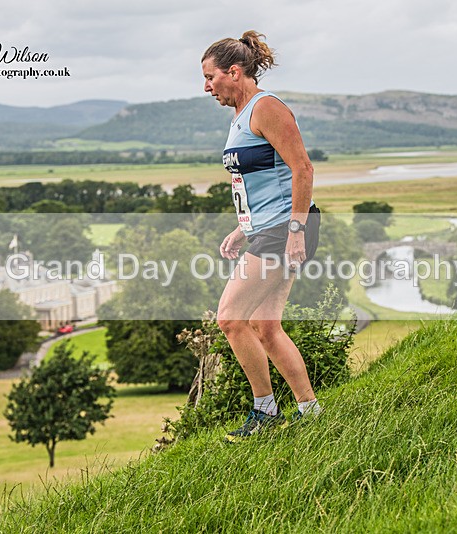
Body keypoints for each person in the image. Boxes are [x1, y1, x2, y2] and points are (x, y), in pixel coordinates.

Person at [202, 30, 323, 442]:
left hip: (285, 229)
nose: (207, 87)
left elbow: (302, 169)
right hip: (267, 229)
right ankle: (310, 411)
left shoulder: (266, 107)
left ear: (234, 72)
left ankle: (265, 412)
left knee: (230, 318)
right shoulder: (241, 116)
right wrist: (243, 228)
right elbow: (264, 181)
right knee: (265, 326)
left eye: (211, 77)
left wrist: (295, 231)